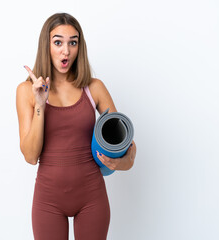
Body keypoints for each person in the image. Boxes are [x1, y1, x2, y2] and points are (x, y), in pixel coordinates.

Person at [16, 12, 137, 240]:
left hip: (91, 197)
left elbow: (127, 149)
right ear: (46, 46)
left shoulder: (95, 88)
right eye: (58, 42)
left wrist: (122, 162)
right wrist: (41, 105)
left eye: (73, 42)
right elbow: (31, 156)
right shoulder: (26, 92)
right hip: (48, 201)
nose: (66, 50)